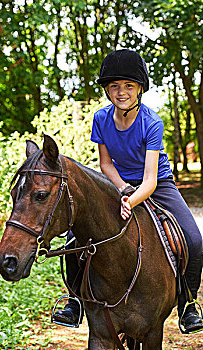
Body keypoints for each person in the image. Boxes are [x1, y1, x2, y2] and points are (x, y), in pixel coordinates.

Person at [53, 49, 203, 334]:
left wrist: (130, 201)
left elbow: (150, 181)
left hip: (156, 183)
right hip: (117, 181)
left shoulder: (152, 122)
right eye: (114, 86)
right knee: (75, 237)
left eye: (128, 86)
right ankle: (75, 302)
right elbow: (105, 163)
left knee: (194, 241)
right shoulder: (101, 118)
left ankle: (188, 304)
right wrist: (121, 189)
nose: (121, 92)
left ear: (140, 88)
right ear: (107, 90)